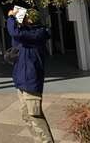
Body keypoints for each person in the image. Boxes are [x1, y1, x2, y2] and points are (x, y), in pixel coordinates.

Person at [7, 7, 54, 143]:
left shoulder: (37, 34)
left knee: (35, 116)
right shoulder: (26, 33)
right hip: (21, 79)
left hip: (31, 81)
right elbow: (15, 40)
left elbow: (15, 34)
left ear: (32, 19)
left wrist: (11, 18)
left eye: (25, 17)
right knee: (26, 116)